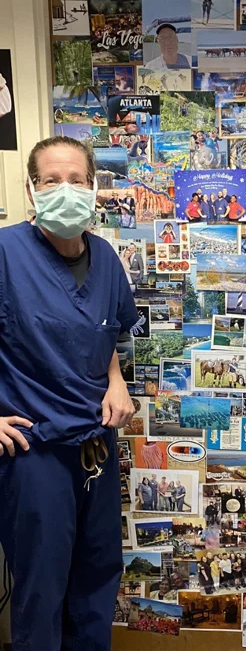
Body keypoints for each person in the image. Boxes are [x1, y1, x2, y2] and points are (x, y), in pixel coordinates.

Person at [0, 135, 139, 650]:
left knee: (98, 578)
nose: (65, 189)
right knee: (42, 589)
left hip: (97, 444)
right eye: (51, 180)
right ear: (32, 190)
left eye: (76, 180)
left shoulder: (103, 257)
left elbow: (106, 332)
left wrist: (118, 380)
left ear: (93, 188)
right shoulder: (6, 253)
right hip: (34, 451)